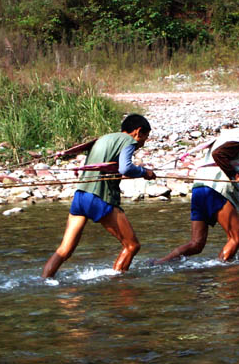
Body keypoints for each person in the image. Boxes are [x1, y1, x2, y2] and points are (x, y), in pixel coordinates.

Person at [42, 114, 156, 278]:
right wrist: (145, 172)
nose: (142, 144)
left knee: (64, 250)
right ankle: (117, 289)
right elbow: (125, 168)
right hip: (99, 197)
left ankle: (45, 281)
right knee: (132, 246)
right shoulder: (128, 141)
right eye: (144, 138)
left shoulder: (103, 139)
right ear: (137, 132)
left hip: (80, 196)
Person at [156, 108, 239, 264]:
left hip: (200, 187)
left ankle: (158, 263)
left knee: (196, 244)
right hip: (214, 189)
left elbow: (221, 159)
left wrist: (238, 194)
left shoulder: (230, 134)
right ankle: (222, 273)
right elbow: (219, 154)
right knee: (236, 238)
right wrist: (237, 176)